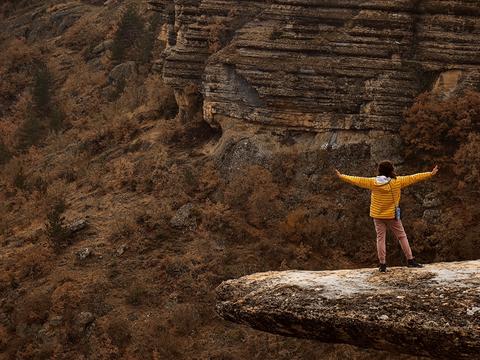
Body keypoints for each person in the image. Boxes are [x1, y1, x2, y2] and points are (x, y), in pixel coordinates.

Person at [335, 161, 439, 272]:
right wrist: (430, 173)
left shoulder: (373, 182)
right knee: (402, 236)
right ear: (391, 170)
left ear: (379, 170)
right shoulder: (397, 182)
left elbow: (357, 180)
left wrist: (342, 176)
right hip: (392, 215)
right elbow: (414, 178)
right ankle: (410, 260)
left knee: (380, 239)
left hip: (378, 216)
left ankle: (382, 264)